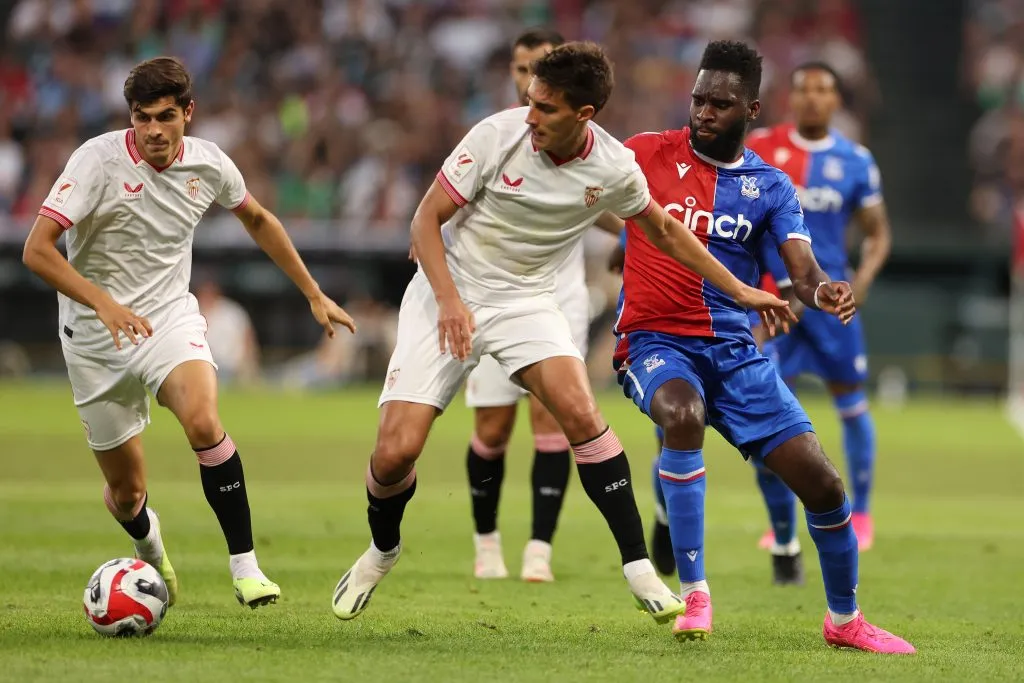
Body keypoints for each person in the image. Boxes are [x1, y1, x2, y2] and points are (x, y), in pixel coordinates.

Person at [330, 41, 792, 627]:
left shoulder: (614, 167)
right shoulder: (496, 137)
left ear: (584, 115)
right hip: (445, 291)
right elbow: (425, 219)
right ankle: (381, 551)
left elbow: (667, 233)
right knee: (395, 453)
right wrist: (448, 302)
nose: (530, 117)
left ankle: (639, 568)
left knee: (581, 413)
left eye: (545, 108)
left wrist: (741, 289)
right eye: (529, 102)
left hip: (526, 299)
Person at [612, 40, 914, 653]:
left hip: (734, 350)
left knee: (825, 486)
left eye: (719, 104)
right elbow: (587, 182)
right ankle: (695, 594)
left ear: (750, 108)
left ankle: (844, 620)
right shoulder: (645, 153)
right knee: (681, 415)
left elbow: (801, 270)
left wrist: (825, 289)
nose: (703, 112)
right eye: (698, 99)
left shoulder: (770, 186)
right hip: (654, 340)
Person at [21, 57, 355, 609]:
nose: (152, 130)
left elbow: (259, 219)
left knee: (203, 419)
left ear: (188, 114)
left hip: (167, 321)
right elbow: (37, 250)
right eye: (141, 117)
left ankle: (246, 568)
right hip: (93, 337)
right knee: (126, 495)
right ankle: (151, 550)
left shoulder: (209, 164)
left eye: (165, 117)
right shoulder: (94, 161)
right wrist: (102, 303)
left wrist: (313, 292)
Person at [462, 27, 622, 583]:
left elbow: (597, 197)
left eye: (537, 67)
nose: (527, 77)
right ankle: (487, 544)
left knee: (553, 418)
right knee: (492, 428)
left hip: (558, 295)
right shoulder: (496, 136)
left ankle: (539, 549)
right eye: (520, 67)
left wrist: (630, 232)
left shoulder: (577, 141)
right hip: (490, 294)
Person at [745, 62, 892, 562]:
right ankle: (780, 521)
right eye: (803, 88)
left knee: (852, 405)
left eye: (823, 90)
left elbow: (878, 233)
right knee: (766, 410)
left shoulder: (855, 160)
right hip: (773, 303)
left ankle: (865, 512)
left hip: (830, 304)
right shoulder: (762, 146)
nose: (811, 98)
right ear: (791, 96)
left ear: (836, 101)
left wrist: (864, 281)